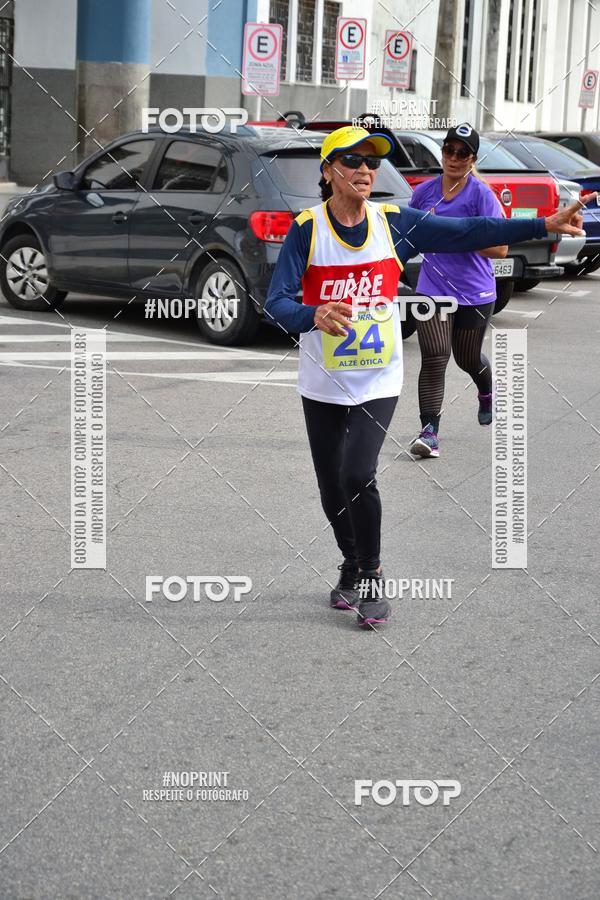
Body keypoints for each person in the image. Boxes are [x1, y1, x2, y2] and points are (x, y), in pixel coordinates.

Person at [264, 124, 589, 629]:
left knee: (357, 473)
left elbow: (469, 233)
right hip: (323, 380)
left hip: (378, 378)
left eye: (372, 163)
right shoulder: (307, 229)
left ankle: (371, 577)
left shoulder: (393, 221)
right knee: (331, 487)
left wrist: (543, 225)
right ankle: (349, 563)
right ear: (328, 173)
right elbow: (276, 302)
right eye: (352, 162)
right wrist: (313, 315)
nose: (365, 171)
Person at [409, 123, 508, 459]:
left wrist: (462, 234)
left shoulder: (481, 195)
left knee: (467, 358)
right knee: (435, 356)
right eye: (448, 150)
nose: (453, 157)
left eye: (462, 152)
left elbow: (501, 249)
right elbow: (410, 237)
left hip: (475, 292)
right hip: (432, 289)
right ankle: (429, 432)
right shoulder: (424, 193)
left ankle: (485, 390)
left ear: (472, 159)